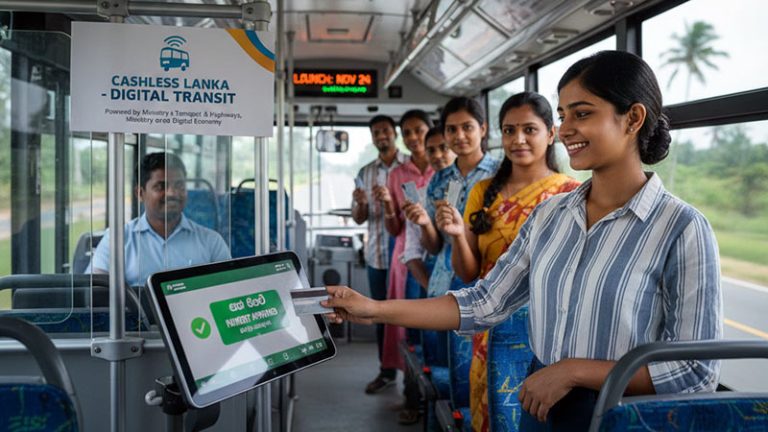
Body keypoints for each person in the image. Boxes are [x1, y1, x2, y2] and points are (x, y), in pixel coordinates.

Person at [325, 51, 722, 431]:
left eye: (582, 114)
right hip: (542, 403)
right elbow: (485, 302)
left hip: (623, 414)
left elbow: (695, 370)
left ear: (633, 118)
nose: (565, 130)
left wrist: (574, 372)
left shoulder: (681, 228)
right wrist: (374, 309)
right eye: (562, 116)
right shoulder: (550, 216)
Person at [436, 92, 580, 431]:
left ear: (551, 134)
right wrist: (457, 235)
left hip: (550, 329)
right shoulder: (483, 192)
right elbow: (468, 273)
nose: (518, 140)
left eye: (530, 130)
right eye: (509, 130)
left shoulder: (571, 193)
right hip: (490, 323)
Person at [402, 96, 499, 365]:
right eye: (451, 129)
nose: (459, 136)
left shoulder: (500, 174)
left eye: (467, 127)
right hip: (444, 281)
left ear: (483, 129)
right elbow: (434, 247)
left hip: (488, 282)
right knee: (442, 365)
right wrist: (425, 224)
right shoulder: (440, 179)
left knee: (479, 363)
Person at [368, 110, 435, 423]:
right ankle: (411, 397)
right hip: (406, 257)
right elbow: (395, 229)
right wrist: (387, 205)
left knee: (436, 329)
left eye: (418, 130)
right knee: (408, 327)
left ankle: (434, 398)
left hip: (439, 254)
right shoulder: (397, 175)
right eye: (407, 132)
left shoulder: (442, 167)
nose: (413, 137)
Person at [90, 152, 231, 287]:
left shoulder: (211, 242)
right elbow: (97, 293)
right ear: (140, 193)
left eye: (179, 185)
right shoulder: (117, 240)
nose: (172, 193)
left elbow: (229, 291)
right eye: (161, 186)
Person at [352, 114, 408, 394]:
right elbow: (358, 217)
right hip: (377, 256)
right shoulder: (365, 172)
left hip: (407, 258)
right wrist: (361, 204)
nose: (381, 136)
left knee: (409, 317)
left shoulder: (410, 165)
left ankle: (412, 378)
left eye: (385, 130)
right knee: (377, 315)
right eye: (376, 132)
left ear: (394, 133)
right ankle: (386, 371)